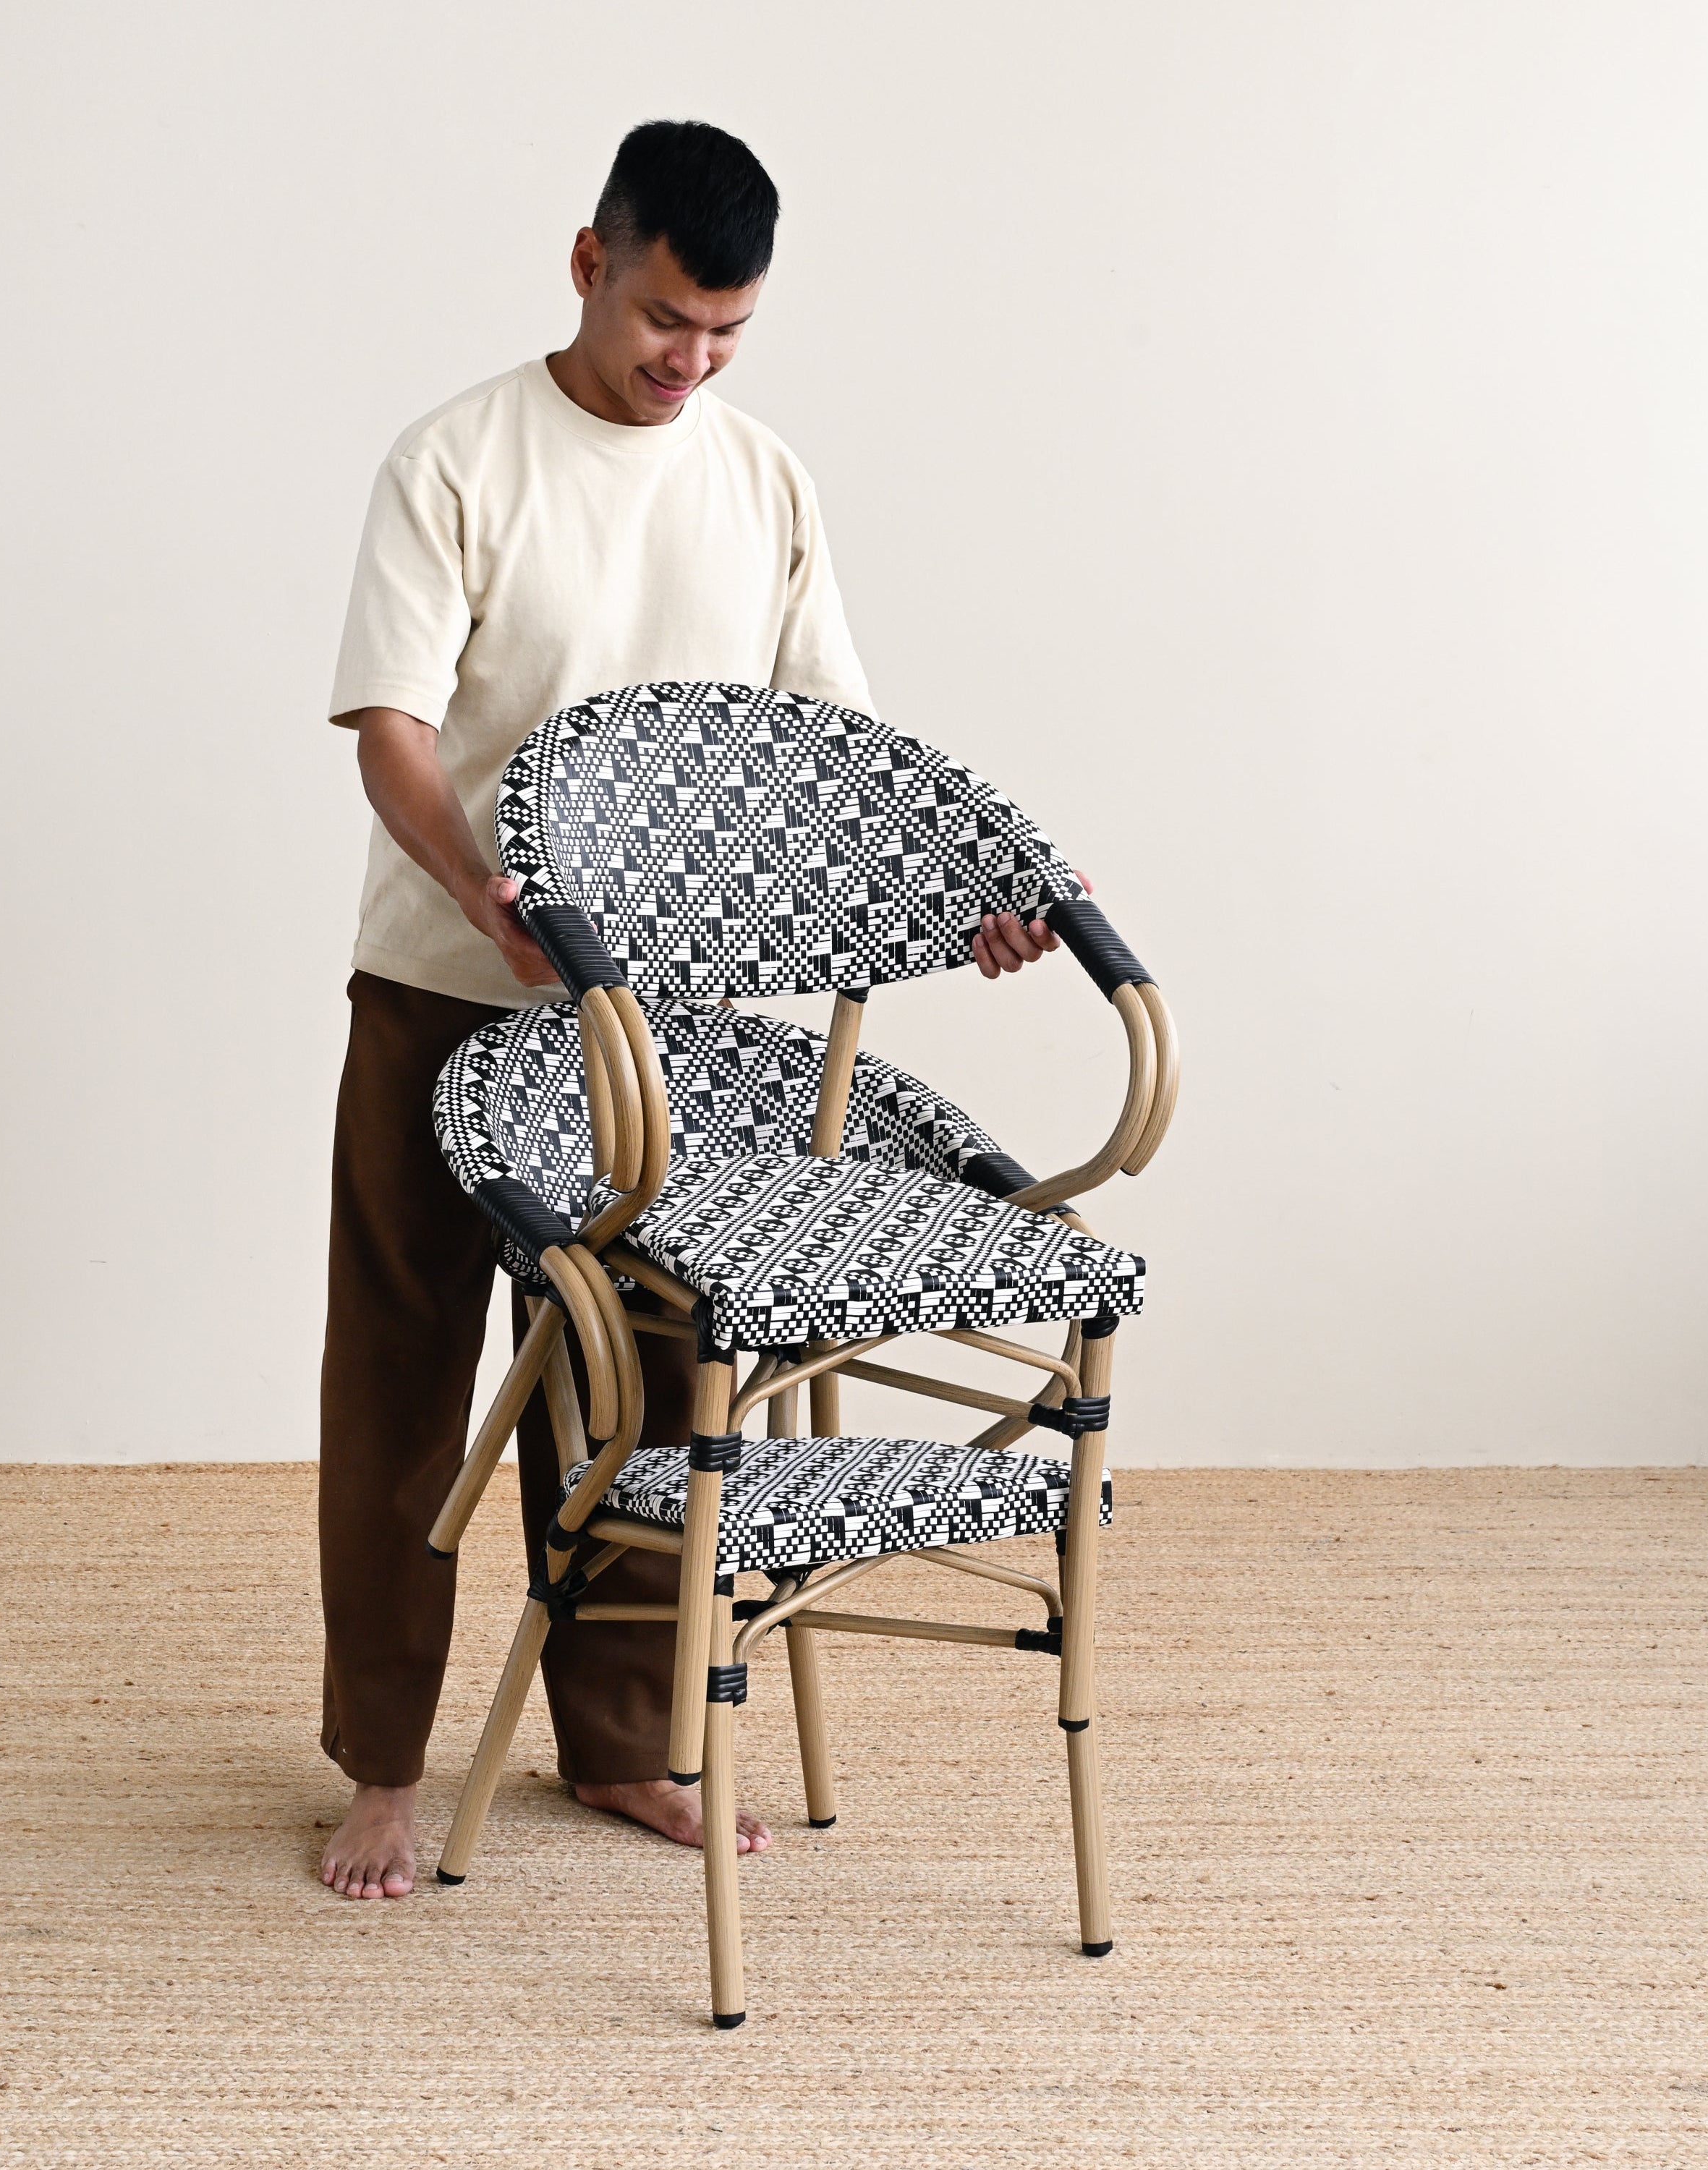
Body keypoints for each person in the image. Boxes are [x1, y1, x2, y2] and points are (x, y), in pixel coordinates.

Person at [318, 119, 1065, 1900]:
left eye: (728, 333)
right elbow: (393, 735)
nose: (691, 361)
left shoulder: (762, 478)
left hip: (667, 1033)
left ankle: (625, 1750)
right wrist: (489, 893)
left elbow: (835, 750)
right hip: (449, 982)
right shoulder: (458, 459)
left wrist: (973, 893)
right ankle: (382, 1769)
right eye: (667, 317)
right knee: (411, 1380)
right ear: (590, 260)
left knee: (652, 1389)